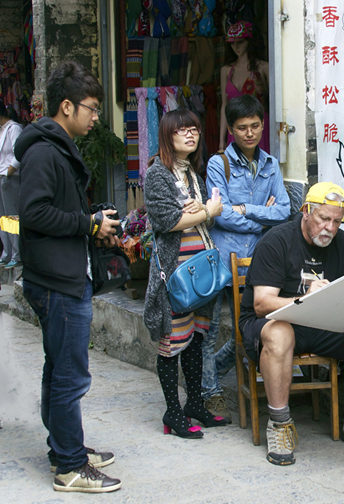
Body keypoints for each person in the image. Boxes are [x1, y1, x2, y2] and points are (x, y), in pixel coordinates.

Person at [15, 61, 122, 493]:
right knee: (70, 376)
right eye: (92, 108)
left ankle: (65, 447)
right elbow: (34, 213)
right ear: (66, 106)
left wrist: (91, 218)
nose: (96, 117)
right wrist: (89, 225)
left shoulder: (56, 146)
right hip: (57, 281)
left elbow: (57, 207)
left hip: (63, 275)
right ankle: (69, 466)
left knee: (58, 369)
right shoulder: (43, 151)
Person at [239, 182, 344, 466]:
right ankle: (279, 424)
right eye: (324, 219)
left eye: (336, 221)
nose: (330, 228)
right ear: (306, 211)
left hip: (323, 323)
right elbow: (262, 304)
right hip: (272, 323)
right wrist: (305, 296)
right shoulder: (277, 241)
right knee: (279, 332)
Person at [203, 94, 290, 422]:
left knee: (247, 328)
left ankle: (210, 375)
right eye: (242, 128)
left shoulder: (270, 165)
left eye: (255, 126)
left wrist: (248, 209)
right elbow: (221, 214)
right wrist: (262, 215)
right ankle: (210, 391)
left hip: (259, 262)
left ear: (262, 125)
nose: (250, 133)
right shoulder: (218, 164)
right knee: (211, 327)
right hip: (225, 257)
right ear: (230, 130)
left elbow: (283, 211)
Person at [143, 108, 228, 440]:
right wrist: (204, 210)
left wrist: (199, 212)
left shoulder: (193, 173)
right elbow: (166, 222)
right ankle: (172, 412)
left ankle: (195, 404)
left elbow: (197, 219)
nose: (191, 135)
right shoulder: (158, 173)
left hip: (200, 271)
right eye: (183, 130)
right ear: (168, 134)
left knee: (195, 338)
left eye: (194, 129)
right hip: (175, 272)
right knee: (172, 341)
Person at [219, 20, 269, 153]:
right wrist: (221, 141)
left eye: (240, 42)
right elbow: (224, 105)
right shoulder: (226, 71)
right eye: (232, 43)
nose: (236, 47)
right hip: (236, 128)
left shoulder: (263, 68)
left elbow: (274, 102)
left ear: (250, 42)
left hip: (259, 127)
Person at [0, 102, 23, 269]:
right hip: (1, 176)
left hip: (10, 178)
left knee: (11, 216)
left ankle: (16, 253)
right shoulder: (2, 130)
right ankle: (6, 253)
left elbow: (19, 152)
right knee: (2, 218)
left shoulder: (13, 128)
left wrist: (9, 171)